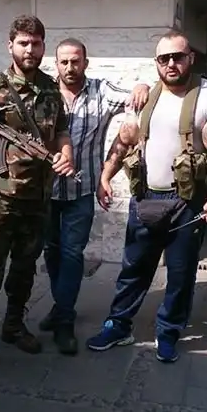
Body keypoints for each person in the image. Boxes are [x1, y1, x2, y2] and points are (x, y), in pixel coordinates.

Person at [85, 29, 207, 363]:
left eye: (178, 57)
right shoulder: (145, 98)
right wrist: (105, 176)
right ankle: (118, 326)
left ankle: (169, 331)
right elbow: (124, 140)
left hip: (186, 204)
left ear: (191, 58)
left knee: (180, 273)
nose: (171, 63)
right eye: (164, 58)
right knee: (133, 269)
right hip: (145, 198)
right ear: (156, 62)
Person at [0, 15, 75, 379]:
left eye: (36, 43)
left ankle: (13, 325)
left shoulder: (51, 90)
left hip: (38, 199)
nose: (30, 49)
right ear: (10, 45)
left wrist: (66, 152)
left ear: (43, 46)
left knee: (25, 268)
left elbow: (61, 130)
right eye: (23, 43)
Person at [39, 38, 150, 356]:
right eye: (64, 62)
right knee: (51, 252)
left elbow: (135, 99)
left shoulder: (101, 91)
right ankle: (61, 306)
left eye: (75, 61)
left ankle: (64, 321)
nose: (70, 67)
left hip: (81, 189)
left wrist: (142, 85)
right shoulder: (44, 93)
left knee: (72, 253)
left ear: (85, 63)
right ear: (56, 64)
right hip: (44, 192)